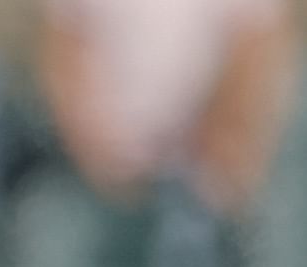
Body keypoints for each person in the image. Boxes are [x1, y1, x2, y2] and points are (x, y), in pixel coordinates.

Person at [42, 0, 293, 214]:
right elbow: (66, 41)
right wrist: (94, 139)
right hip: (111, 163)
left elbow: (257, 45)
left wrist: (225, 137)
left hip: (209, 163)